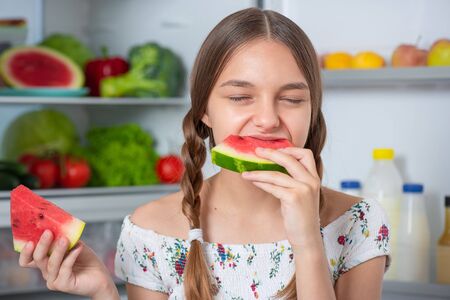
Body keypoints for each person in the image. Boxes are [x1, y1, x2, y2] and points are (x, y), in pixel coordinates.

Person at [18, 7, 391, 300]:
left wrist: (309, 241)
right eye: (240, 97)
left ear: (313, 110)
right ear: (204, 111)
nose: (266, 119)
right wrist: (103, 293)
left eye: (292, 99)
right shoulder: (149, 232)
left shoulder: (358, 224)